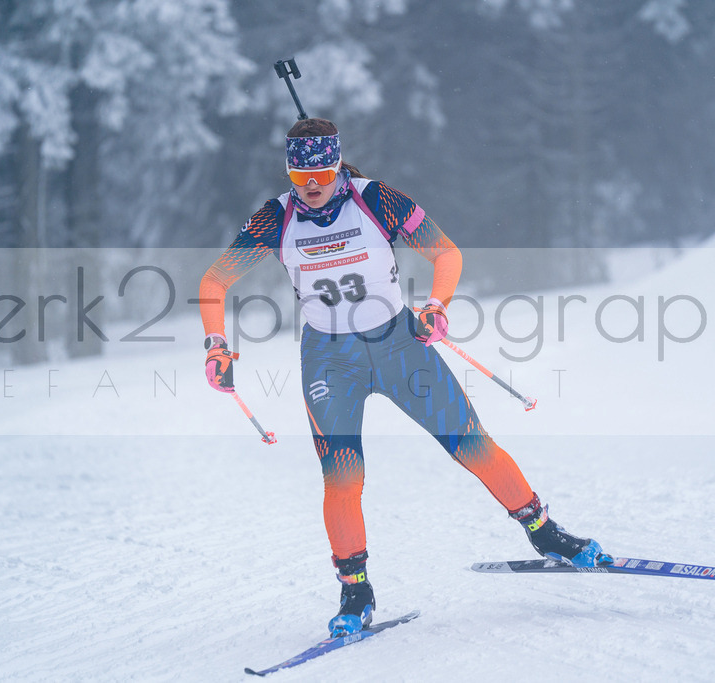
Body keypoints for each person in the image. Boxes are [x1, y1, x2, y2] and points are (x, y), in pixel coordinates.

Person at [200, 118, 611, 637]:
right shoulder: (276, 218)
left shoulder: (377, 200)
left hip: (398, 346)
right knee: (342, 479)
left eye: (322, 175)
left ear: (337, 166)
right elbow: (215, 280)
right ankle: (356, 591)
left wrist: (438, 305)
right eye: (301, 177)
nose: (312, 188)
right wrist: (216, 344)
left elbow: (446, 252)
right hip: (330, 359)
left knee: (472, 445)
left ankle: (544, 532)